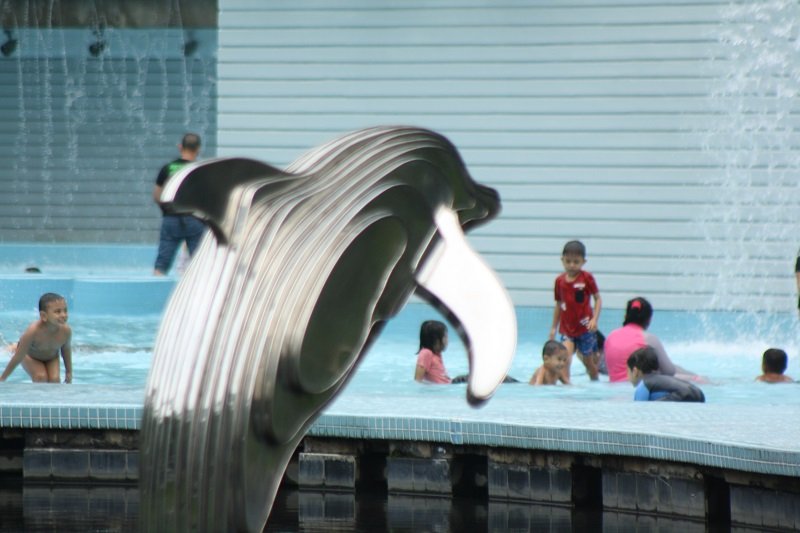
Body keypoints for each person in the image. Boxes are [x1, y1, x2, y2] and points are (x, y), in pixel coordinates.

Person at [153, 132, 206, 275]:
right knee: (199, 264)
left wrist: (167, 211)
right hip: (195, 220)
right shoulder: (202, 170)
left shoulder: (168, 168)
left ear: (180, 147)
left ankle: (154, 293)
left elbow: (157, 196)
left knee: (161, 264)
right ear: (198, 149)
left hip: (171, 218)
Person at [549, 240, 602, 381]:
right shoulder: (559, 281)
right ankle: (568, 390)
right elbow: (559, 304)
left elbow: (598, 299)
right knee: (565, 360)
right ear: (562, 260)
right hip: (567, 329)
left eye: (576, 262)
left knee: (588, 362)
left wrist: (594, 319)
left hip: (585, 328)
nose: (572, 265)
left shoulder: (587, 278)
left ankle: (595, 381)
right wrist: (554, 327)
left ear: (583, 262)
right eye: (568, 261)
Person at [0, 293, 73, 383]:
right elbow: (19, 356)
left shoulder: (66, 331)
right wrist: (2, 378)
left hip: (51, 358)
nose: (63, 315)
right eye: (57, 312)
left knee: (55, 380)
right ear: (43, 316)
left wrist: (69, 371)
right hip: (30, 356)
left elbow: (66, 351)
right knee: (40, 377)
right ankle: (15, 346)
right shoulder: (33, 331)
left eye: (65, 310)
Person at [626, 347, 705, 402]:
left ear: (635, 371)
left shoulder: (644, 384)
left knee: (651, 409)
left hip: (684, 395)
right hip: (698, 393)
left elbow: (640, 410)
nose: (627, 377)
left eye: (628, 371)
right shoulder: (664, 379)